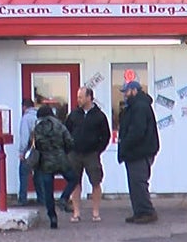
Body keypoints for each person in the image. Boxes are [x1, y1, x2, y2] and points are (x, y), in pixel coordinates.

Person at [57, 87, 111, 222]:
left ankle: (96, 212)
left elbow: (106, 135)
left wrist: (98, 150)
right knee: (75, 182)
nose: (78, 100)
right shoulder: (73, 115)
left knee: (96, 182)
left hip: (91, 154)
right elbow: (65, 132)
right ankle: (76, 212)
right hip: (74, 154)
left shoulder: (99, 116)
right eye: (78, 97)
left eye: (81, 97)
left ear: (89, 97)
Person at [117, 80, 159, 223]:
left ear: (134, 90)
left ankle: (147, 212)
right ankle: (139, 212)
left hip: (140, 152)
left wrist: (125, 144)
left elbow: (137, 131)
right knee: (135, 184)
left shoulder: (139, 107)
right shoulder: (135, 106)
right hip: (136, 152)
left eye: (126, 92)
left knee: (139, 183)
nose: (124, 95)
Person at [30, 104, 73, 229]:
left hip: (45, 163)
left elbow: (33, 145)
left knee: (48, 191)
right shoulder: (60, 125)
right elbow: (69, 142)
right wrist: (64, 151)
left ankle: (52, 218)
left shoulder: (37, 128)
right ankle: (64, 198)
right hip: (61, 159)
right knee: (73, 178)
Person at [15, 98, 38, 206]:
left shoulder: (26, 118)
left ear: (24, 107)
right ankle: (42, 198)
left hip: (29, 150)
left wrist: (21, 152)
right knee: (39, 174)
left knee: (23, 173)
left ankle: (22, 199)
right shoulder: (39, 116)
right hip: (41, 150)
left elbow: (25, 137)